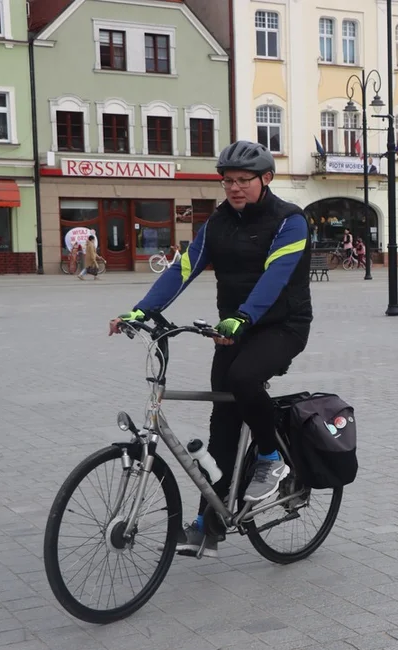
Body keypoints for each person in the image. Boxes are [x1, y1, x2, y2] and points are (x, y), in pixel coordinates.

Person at [108, 140, 312, 558]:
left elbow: (275, 276)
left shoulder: (290, 221)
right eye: (227, 181)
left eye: (242, 181)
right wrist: (139, 311)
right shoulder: (217, 223)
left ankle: (272, 457)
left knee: (242, 379)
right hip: (234, 330)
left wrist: (243, 316)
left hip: (282, 326)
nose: (234, 188)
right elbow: (182, 269)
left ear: (266, 179)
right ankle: (208, 524)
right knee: (222, 422)